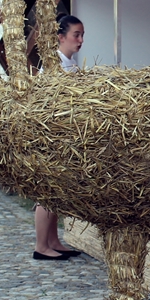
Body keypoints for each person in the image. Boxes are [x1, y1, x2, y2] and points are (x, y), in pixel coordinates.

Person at [34, 15, 86, 261]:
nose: (80, 40)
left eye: (82, 35)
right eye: (76, 35)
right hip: (52, 135)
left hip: (65, 136)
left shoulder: (70, 65)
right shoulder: (53, 65)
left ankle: (53, 241)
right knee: (47, 191)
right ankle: (41, 246)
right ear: (61, 37)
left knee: (57, 191)